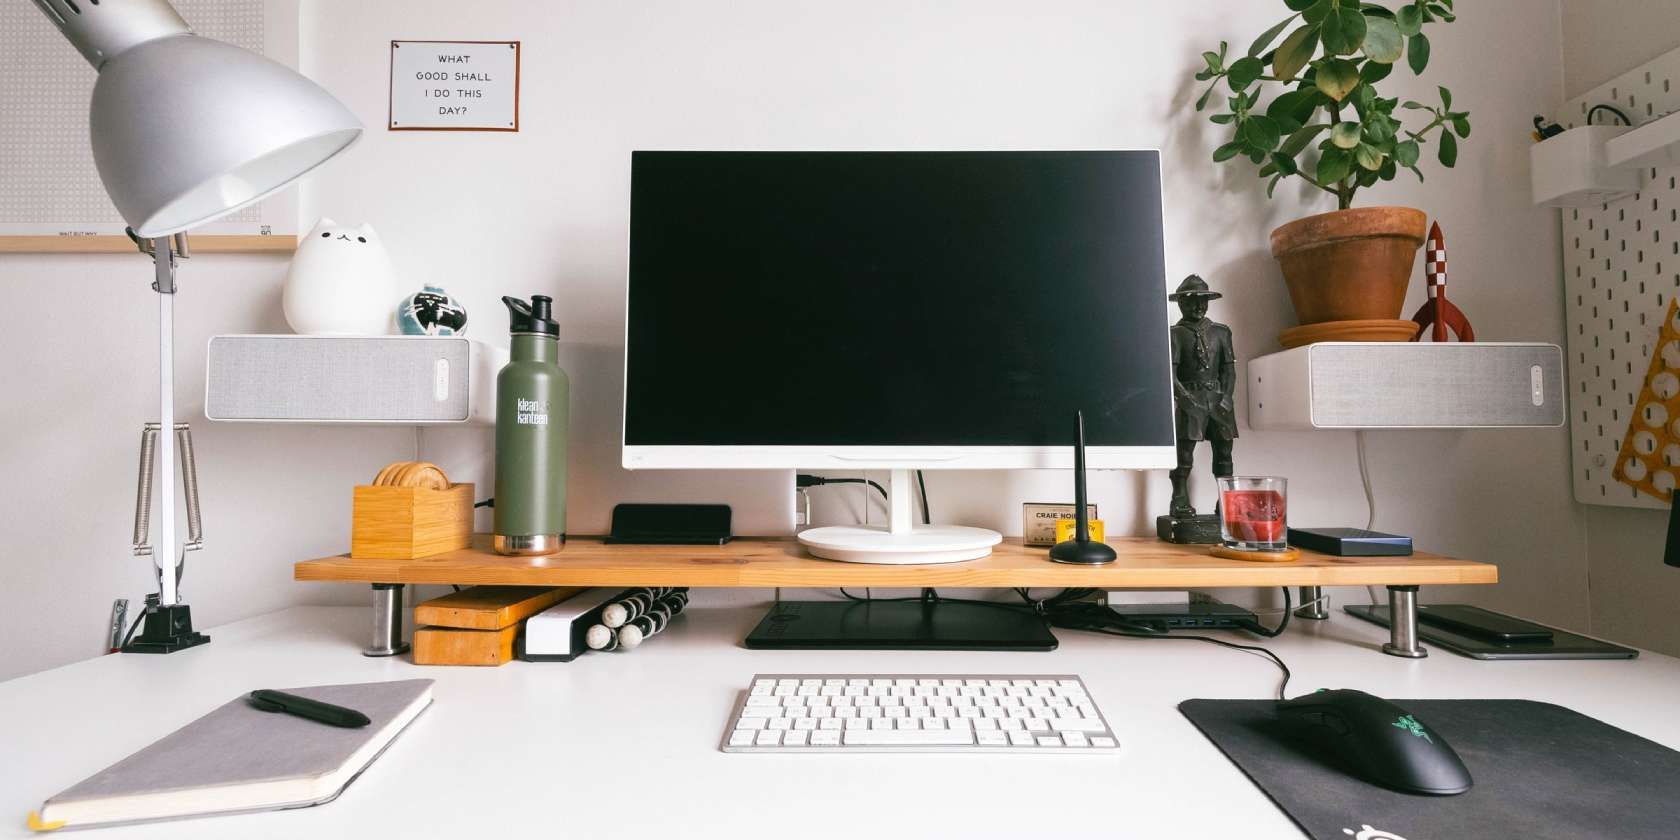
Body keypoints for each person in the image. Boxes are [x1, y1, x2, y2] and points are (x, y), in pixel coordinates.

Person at [1167, 275, 1237, 518]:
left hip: (1218, 397)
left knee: (1224, 454)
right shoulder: (1175, 334)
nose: (1198, 306)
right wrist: (1184, 398)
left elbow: (1229, 369)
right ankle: (1179, 499)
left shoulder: (1221, 332)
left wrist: (1226, 396)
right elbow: (1170, 373)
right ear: (1181, 304)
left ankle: (1226, 502)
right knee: (1184, 455)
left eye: (1203, 301)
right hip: (1191, 398)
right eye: (1192, 301)